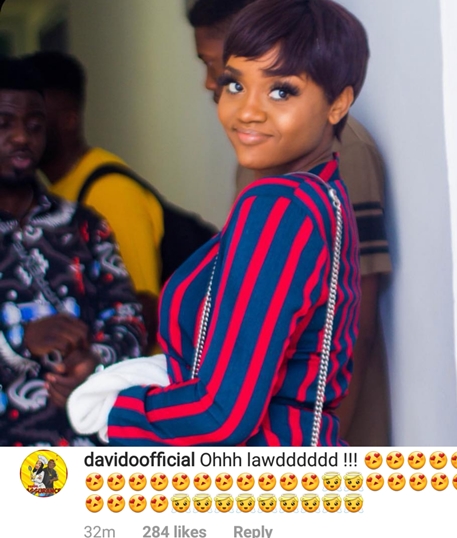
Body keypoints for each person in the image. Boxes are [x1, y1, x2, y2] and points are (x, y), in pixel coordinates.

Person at [106, 0, 366, 446]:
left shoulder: (279, 207)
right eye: (235, 84)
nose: (247, 111)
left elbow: (220, 415)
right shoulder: (324, 194)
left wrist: (111, 412)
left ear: (338, 103)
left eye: (281, 91)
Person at [188, 0, 392, 445]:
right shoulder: (262, 154)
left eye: (279, 89)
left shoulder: (344, 155)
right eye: (232, 81)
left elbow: (352, 328)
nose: (209, 82)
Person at [0, 56, 146, 446]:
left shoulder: (82, 224)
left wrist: (96, 360)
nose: (21, 138)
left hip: (85, 450)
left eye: (34, 126)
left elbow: (130, 319)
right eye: (4, 124)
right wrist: (18, 340)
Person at [24, 52, 177, 352]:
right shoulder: (56, 197)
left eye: (35, 116)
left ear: (69, 119)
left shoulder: (107, 191)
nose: (21, 134)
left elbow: (142, 312)